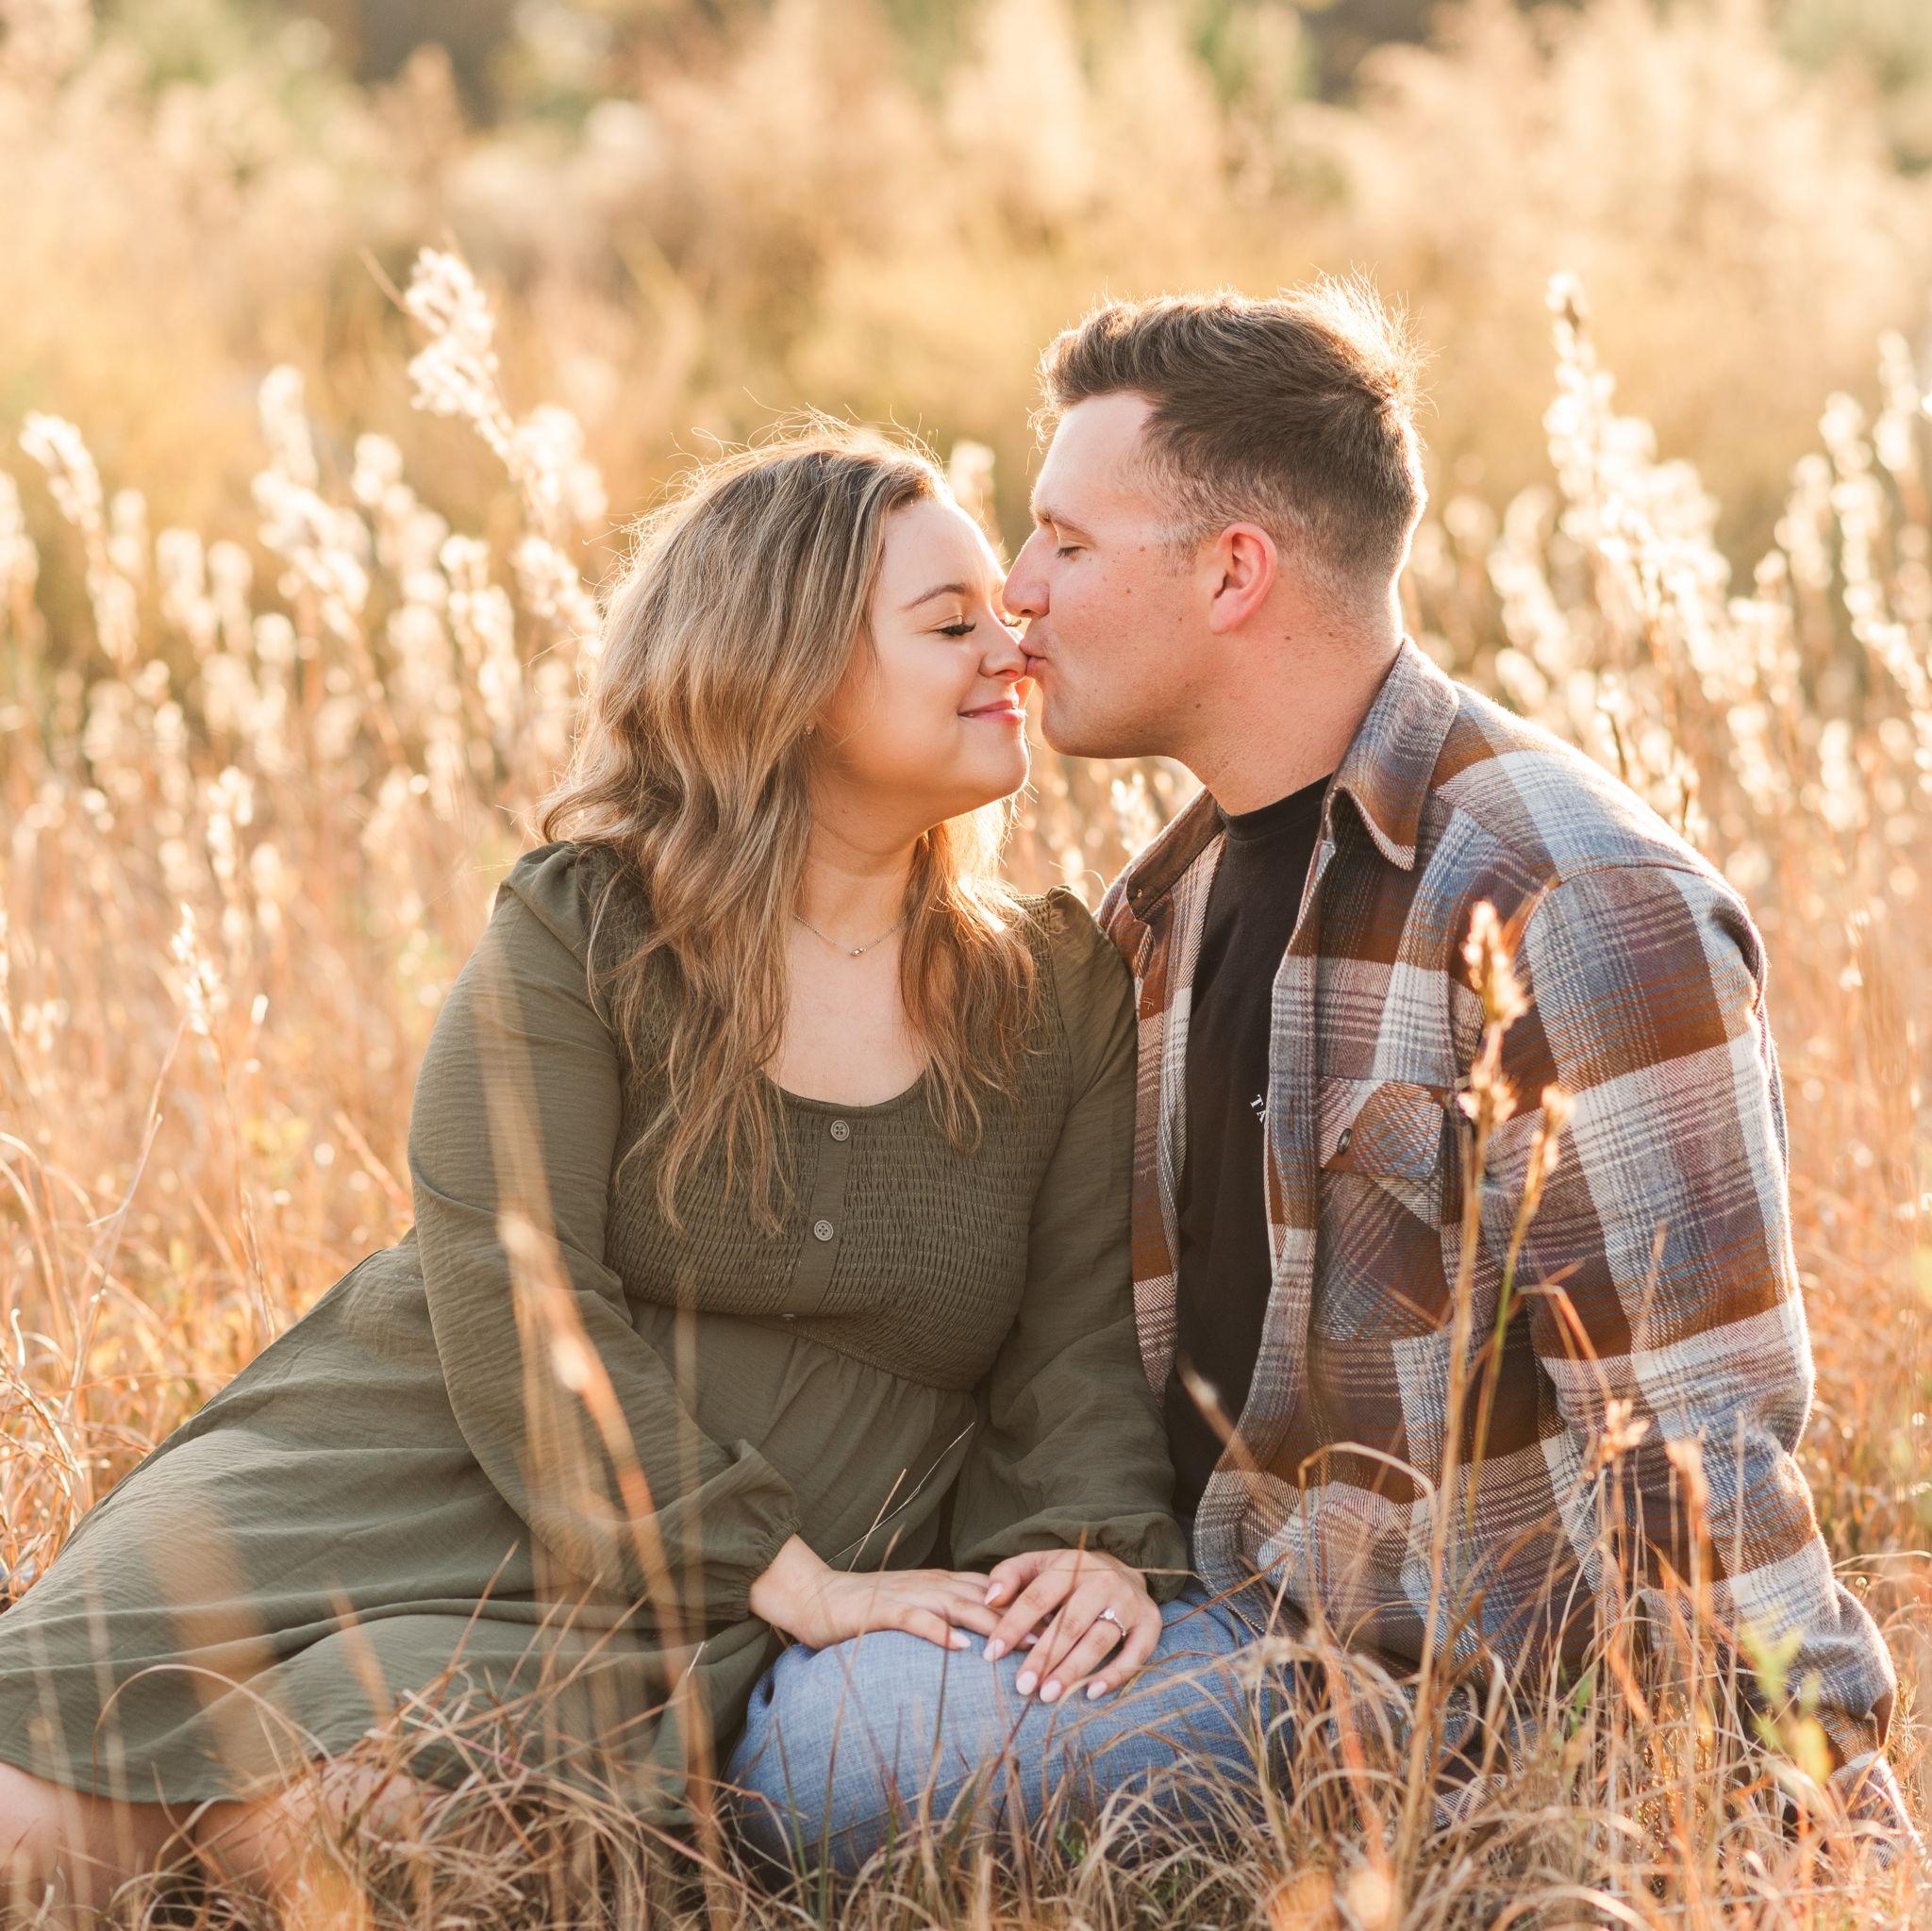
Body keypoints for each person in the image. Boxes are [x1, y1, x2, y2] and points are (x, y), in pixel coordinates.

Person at [726, 282, 1917, 1872]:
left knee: (823, 1756)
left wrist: (1823, 1835)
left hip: (1422, 1699)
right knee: (728, 1646)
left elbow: (1704, 1449)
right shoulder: (1164, 905)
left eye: (1066, 544)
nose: (1017, 596)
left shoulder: (1569, 906)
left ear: (1234, 571)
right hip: (1192, 1596)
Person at [0, 424, 1191, 1919]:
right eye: (950, 624)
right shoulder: (589, 928)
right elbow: (515, 1284)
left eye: (1001, 619)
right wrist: (792, 1575)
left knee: (368, 1828)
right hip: (396, 1475)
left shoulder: (1052, 986)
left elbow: (1071, 1347)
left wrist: (1085, 1547)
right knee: (23, 1831)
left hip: (671, 1607)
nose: (1009, 647)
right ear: (790, 680)